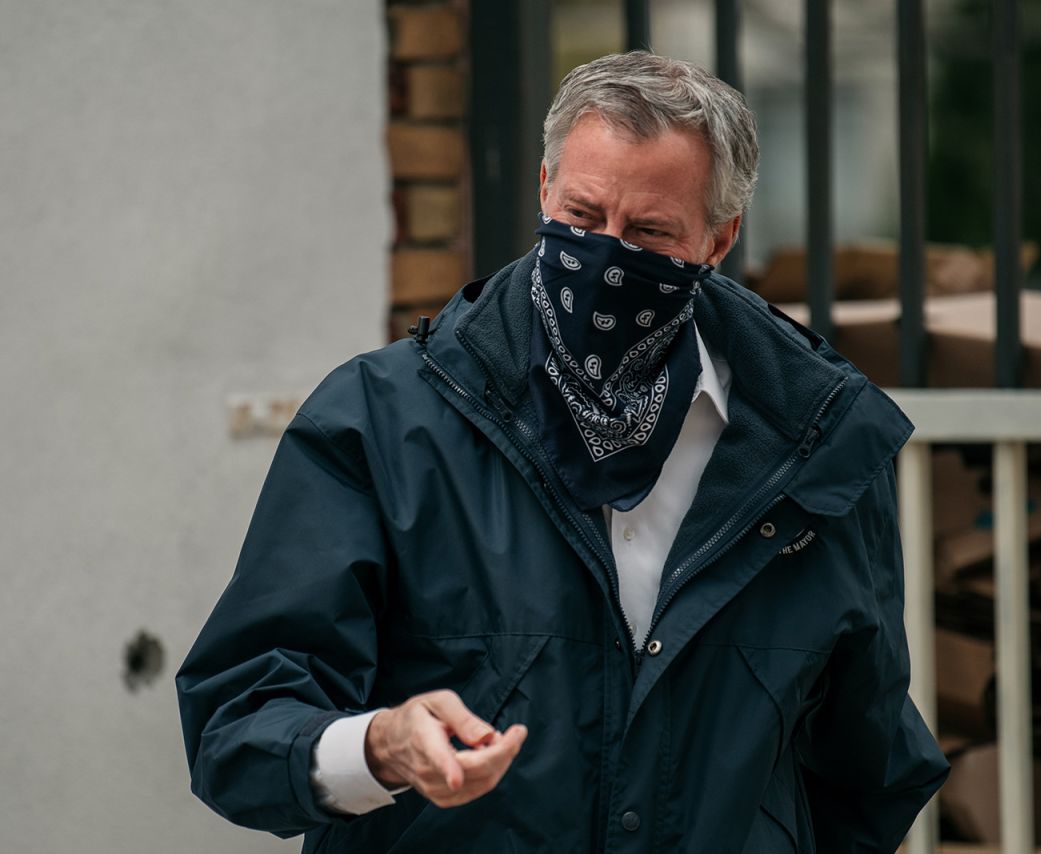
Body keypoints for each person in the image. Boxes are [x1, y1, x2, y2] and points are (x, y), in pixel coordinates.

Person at [177, 51, 948, 853]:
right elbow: (239, 725)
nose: (608, 256)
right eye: (582, 218)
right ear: (544, 190)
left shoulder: (818, 448)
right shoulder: (381, 421)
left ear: (720, 238)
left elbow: (868, 767)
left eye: (650, 232)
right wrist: (378, 746)